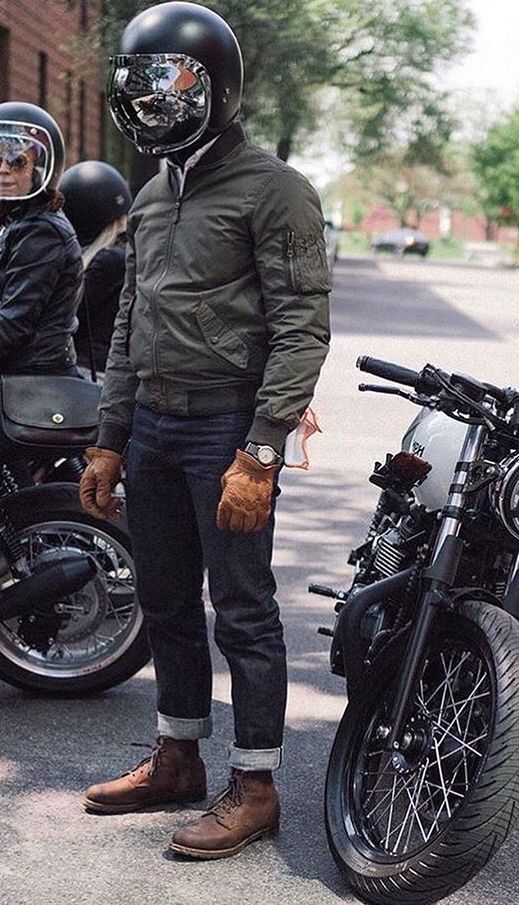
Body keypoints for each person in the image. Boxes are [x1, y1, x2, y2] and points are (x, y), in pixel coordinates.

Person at [78, 1, 331, 861]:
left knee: (245, 611)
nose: (155, 100)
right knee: (165, 603)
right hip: (150, 427)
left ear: (215, 86)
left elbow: (302, 326)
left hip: (226, 429)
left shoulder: (276, 189)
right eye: (142, 82)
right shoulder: (152, 195)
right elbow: (125, 325)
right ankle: (178, 757)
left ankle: (255, 784)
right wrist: (110, 436)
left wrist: (260, 451)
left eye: (174, 81)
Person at [0, 102, 82, 376]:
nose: (3, 169)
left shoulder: (42, 230)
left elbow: (13, 324)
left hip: (33, 381)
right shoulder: (15, 220)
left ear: (40, 169)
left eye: (16, 161)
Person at [59, 161, 132, 378]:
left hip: (92, 373)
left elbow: (66, 315)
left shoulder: (109, 261)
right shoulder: (115, 258)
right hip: (94, 371)